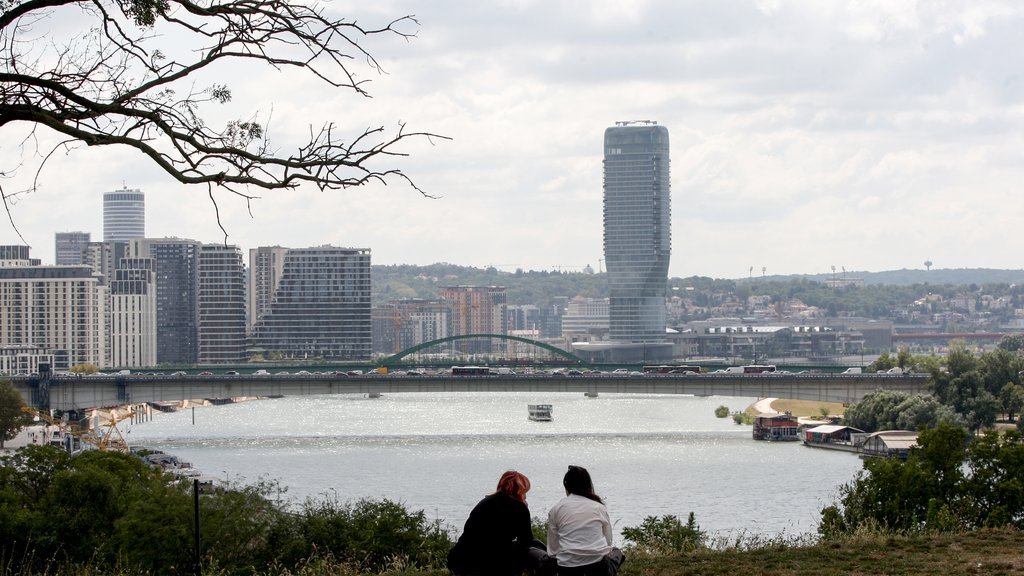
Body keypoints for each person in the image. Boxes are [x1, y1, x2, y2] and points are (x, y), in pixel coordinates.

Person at [448, 470, 550, 576]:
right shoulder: (519, 507)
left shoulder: (484, 503)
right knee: (535, 547)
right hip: (490, 565)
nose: (526, 496)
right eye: (524, 492)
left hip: (460, 560)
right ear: (519, 490)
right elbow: (526, 541)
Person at [547, 465, 626, 576]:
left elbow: (553, 550)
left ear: (566, 486)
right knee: (616, 552)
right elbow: (608, 542)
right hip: (598, 567)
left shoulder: (556, 509)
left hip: (567, 568)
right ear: (588, 485)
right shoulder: (599, 507)